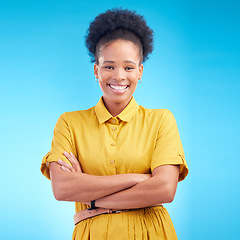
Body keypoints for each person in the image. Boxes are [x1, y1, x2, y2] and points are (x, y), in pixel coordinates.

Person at [41, 8, 189, 240]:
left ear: (140, 72)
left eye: (129, 67)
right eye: (109, 66)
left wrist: (91, 198)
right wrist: (137, 178)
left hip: (151, 233)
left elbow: (165, 189)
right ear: (96, 70)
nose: (119, 76)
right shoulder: (69, 123)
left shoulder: (161, 120)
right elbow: (62, 189)